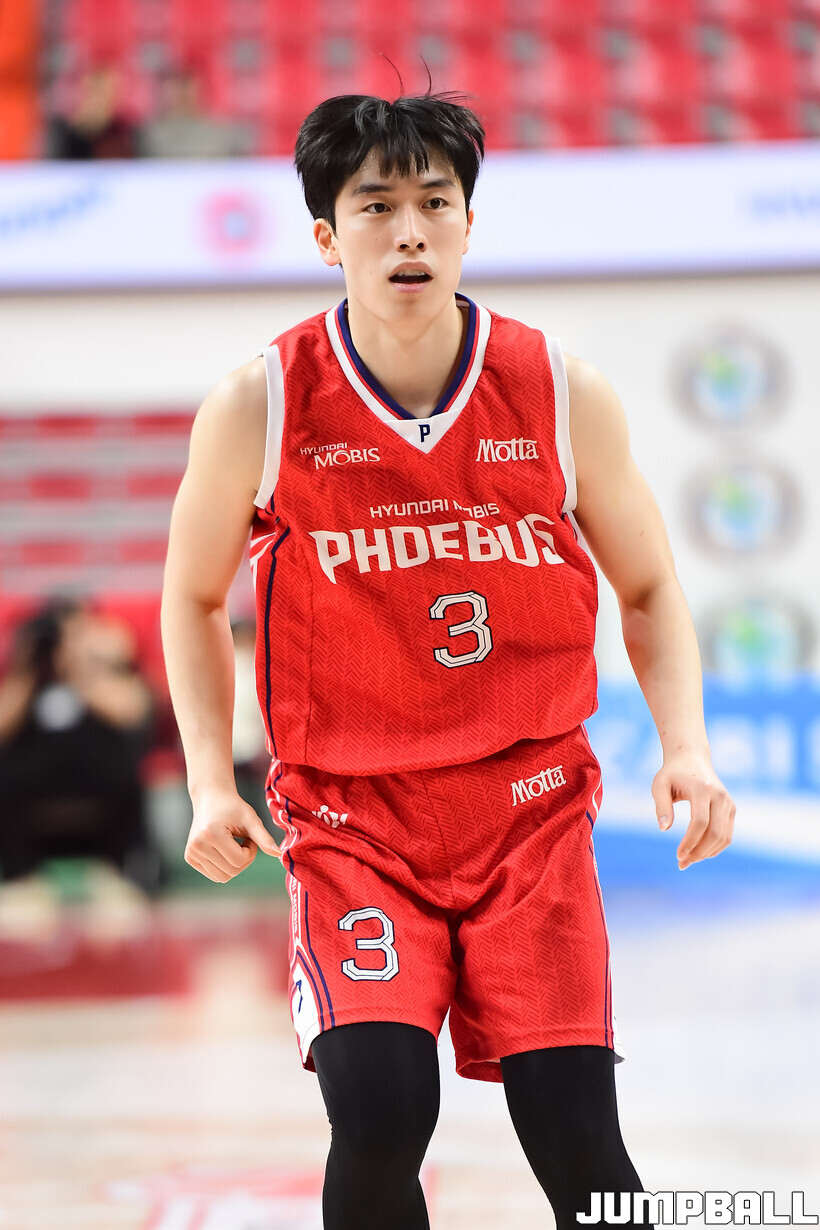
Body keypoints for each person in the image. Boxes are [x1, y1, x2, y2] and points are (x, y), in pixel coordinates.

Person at [161, 93, 736, 1229]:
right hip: (354, 819)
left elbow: (648, 585)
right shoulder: (260, 402)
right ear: (326, 236)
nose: (409, 231)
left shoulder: (560, 387)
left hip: (529, 809)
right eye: (375, 207)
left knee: (578, 1133)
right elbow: (191, 594)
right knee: (380, 1111)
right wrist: (208, 782)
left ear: (470, 224)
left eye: (435, 203)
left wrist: (688, 747)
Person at [0, 598, 158, 941]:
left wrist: (81, 669)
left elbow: (134, 712)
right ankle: (20, 878)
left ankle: (118, 874)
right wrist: (29, 669)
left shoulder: (100, 675)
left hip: (99, 794)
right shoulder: (25, 680)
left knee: (128, 775)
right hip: (31, 798)